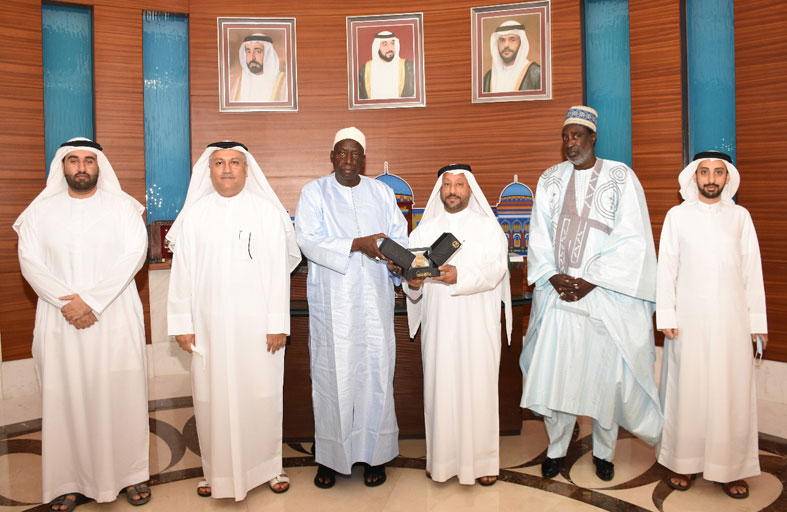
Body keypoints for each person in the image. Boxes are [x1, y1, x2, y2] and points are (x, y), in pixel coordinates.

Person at [520, 106, 663, 482]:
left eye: (577, 135)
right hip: (559, 298)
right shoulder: (549, 179)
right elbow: (539, 234)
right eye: (565, 136)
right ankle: (556, 449)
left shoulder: (620, 176)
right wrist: (552, 276)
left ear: (593, 137)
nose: (570, 142)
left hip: (604, 298)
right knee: (559, 377)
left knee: (604, 380)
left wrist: (591, 280)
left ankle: (603, 453)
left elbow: (632, 238)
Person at [14, 137, 151, 511]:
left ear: (99, 166)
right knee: (66, 398)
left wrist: (90, 301)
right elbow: (30, 262)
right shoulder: (39, 213)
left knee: (121, 395)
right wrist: (70, 304)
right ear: (62, 166)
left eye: (88, 160)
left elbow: (134, 256)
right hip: (60, 319)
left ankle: (131, 474)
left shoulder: (123, 208)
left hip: (114, 316)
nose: (81, 167)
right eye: (73, 160)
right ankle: (68, 481)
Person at [167, 141, 301, 501]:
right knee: (211, 399)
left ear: (246, 169)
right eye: (219, 163)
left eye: (234, 162)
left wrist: (278, 323)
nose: (227, 169)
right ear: (208, 170)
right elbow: (182, 273)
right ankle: (216, 472)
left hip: (258, 326)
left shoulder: (267, 213)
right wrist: (182, 323)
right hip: (208, 325)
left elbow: (279, 272)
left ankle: (269, 467)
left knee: (262, 394)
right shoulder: (194, 216)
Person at [295, 127, 408, 488]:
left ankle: (375, 455)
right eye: (342, 153)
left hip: (375, 299)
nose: (348, 160)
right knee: (333, 377)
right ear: (332, 157)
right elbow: (307, 241)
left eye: (355, 153)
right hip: (334, 303)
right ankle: (330, 457)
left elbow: (398, 237)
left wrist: (398, 263)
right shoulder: (314, 192)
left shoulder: (381, 192)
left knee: (376, 373)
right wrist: (357, 244)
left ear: (363, 158)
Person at [656, 151, 767, 499]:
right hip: (688, 321)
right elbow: (666, 267)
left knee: (729, 393)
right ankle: (683, 462)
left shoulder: (740, 217)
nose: (711, 179)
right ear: (694, 177)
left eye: (718, 172)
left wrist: (757, 322)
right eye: (704, 172)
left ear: (727, 178)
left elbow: (752, 270)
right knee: (687, 391)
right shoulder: (677, 216)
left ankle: (730, 467)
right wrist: (667, 314)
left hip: (732, 322)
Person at [403, 164, 512, 486]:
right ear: (440, 189)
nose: (452, 190)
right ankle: (441, 460)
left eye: (459, 184)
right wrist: (413, 283)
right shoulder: (423, 231)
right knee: (441, 389)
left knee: (479, 389)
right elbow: (411, 281)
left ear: (470, 189)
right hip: (439, 324)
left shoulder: (488, 228)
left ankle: (484, 461)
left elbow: (496, 271)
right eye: (447, 184)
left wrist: (459, 276)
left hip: (478, 323)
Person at [482, 20, 541, 93]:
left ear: (521, 43)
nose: (506, 45)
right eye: (502, 40)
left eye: (512, 40)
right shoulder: (488, 78)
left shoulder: (537, 73)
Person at [230, 33, 287, 102]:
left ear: (268, 55)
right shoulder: (239, 83)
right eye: (248, 51)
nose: (252, 57)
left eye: (257, 51)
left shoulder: (284, 82)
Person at [358, 30, 415, 99]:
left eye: (392, 43)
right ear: (377, 47)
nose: (390, 48)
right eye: (385, 44)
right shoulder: (366, 69)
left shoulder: (407, 67)